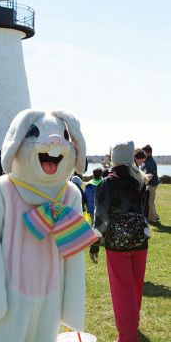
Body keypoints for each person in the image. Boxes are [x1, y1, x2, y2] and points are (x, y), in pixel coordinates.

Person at [90, 141, 150, 342]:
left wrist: (94, 244)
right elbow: (144, 213)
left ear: (113, 159)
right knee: (135, 287)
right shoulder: (141, 181)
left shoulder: (108, 183)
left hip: (117, 243)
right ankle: (132, 326)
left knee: (121, 290)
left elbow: (100, 217)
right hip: (140, 240)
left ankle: (126, 336)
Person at [141, 144, 160, 224]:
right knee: (151, 200)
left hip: (152, 183)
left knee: (150, 201)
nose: (143, 153)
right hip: (151, 183)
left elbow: (149, 175)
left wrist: (144, 182)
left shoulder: (150, 162)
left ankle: (152, 219)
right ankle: (155, 216)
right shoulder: (146, 160)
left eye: (144, 152)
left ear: (148, 153)